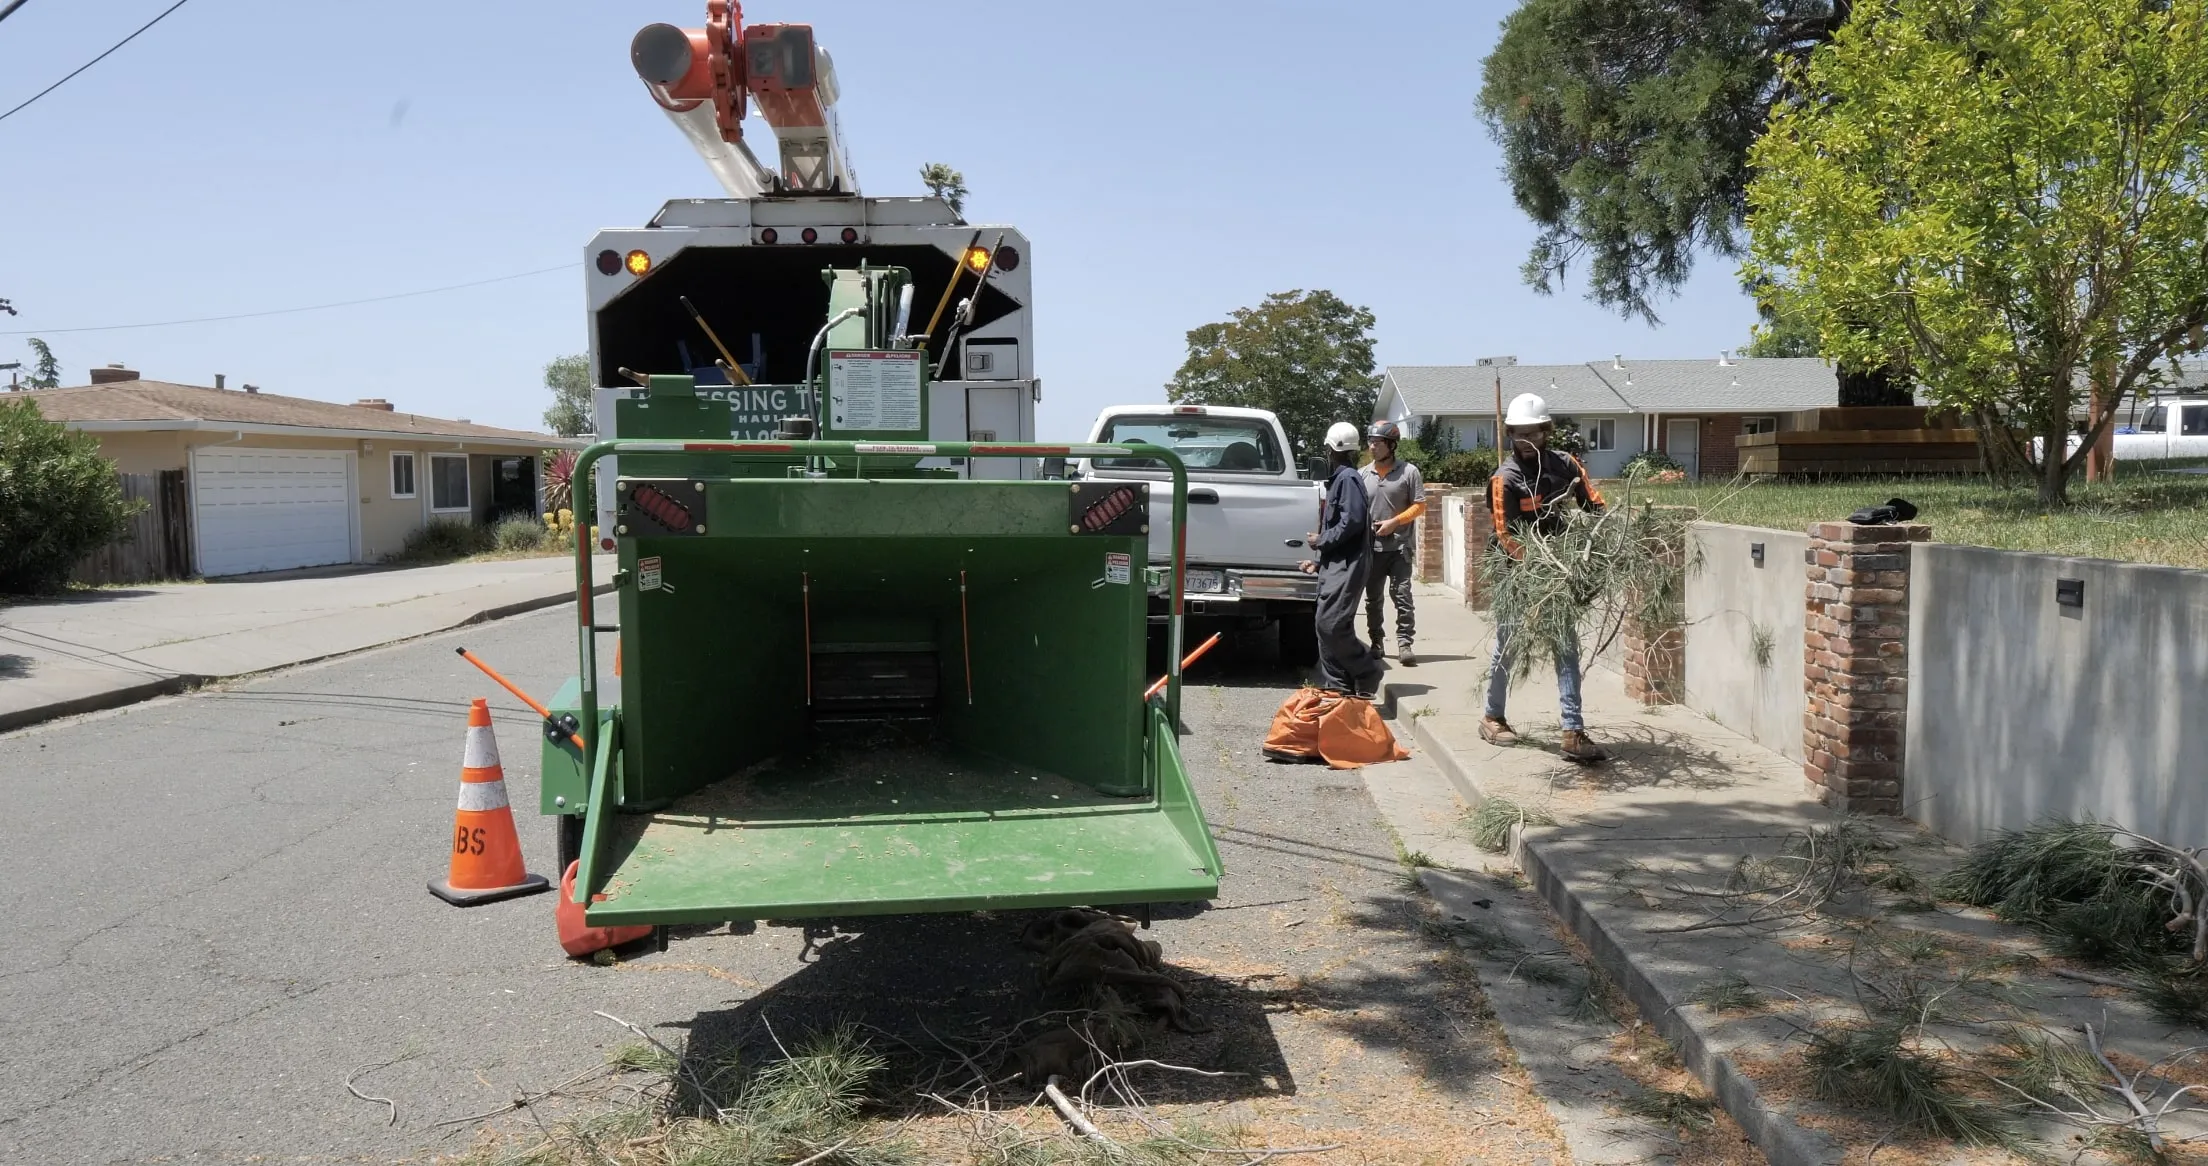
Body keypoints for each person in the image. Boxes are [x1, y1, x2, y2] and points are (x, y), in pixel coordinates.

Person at [1481, 393, 1609, 761]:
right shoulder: (1504, 479)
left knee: (1566, 647)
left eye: (1534, 433)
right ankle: (1492, 716)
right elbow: (1505, 534)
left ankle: (1572, 730)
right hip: (1516, 574)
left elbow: (1594, 504)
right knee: (1509, 644)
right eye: (1520, 434)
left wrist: (1603, 535)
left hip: (1559, 574)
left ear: (1546, 431)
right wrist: (1537, 568)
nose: (1527, 441)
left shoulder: (1566, 465)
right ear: (1510, 435)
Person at [1300, 421, 1384, 698]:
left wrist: (1321, 540)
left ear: (1330, 449)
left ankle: (1367, 670)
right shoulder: (1341, 479)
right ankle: (1339, 688)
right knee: (1324, 626)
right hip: (1336, 565)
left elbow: (1352, 522)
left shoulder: (1347, 479)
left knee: (1332, 624)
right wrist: (1320, 561)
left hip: (1348, 567)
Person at [1359, 420, 1426, 665]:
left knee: (1403, 596)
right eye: (1371, 442)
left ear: (1391, 445)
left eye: (1377, 442)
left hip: (1399, 548)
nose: (1372, 446)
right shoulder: (1363, 474)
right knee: (1373, 598)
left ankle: (1405, 643)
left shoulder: (1409, 472)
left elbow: (1419, 505)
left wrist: (1395, 522)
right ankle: (1376, 641)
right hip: (1372, 549)